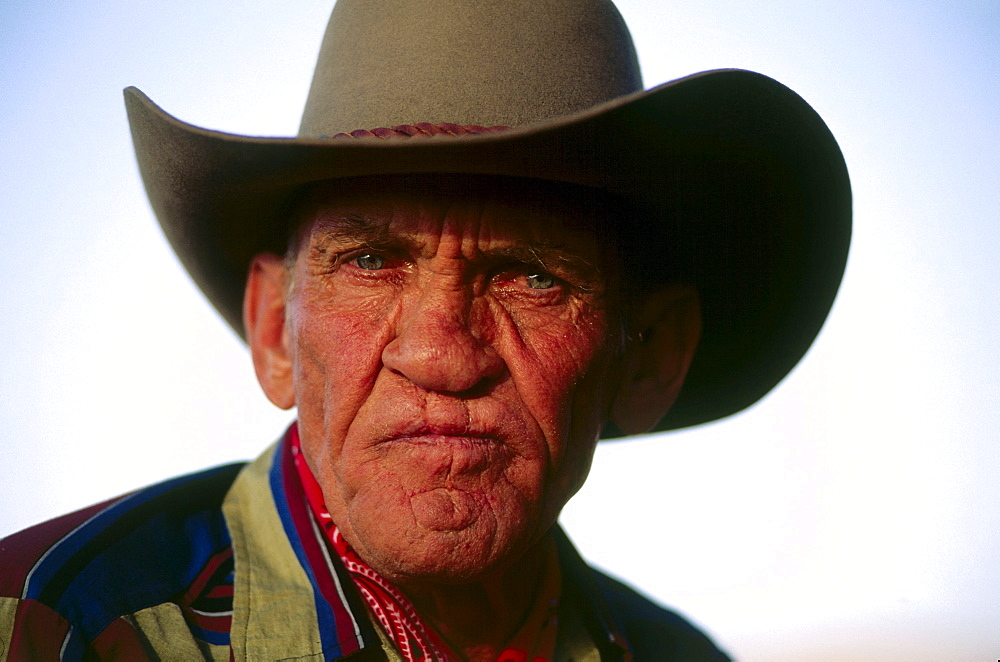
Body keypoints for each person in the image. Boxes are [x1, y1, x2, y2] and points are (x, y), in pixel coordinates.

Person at [0, 0, 850, 659]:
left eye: (533, 277)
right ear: (272, 331)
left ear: (650, 356)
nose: (441, 354)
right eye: (370, 262)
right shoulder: (55, 629)